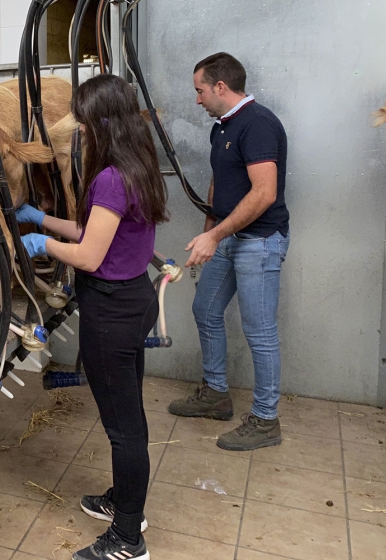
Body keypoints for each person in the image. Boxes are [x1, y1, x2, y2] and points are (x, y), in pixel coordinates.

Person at [19, 73, 167, 560]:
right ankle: (125, 504)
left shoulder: (108, 176)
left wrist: (43, 245)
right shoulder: (137, 165)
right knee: (129, 417)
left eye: (83, 123)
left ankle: (128, 538)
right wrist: (41, 218)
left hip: (111, 312)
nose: (78, 131)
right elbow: (93, 229)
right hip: (133, 301)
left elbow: (87, 254)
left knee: (124, 428)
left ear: (102, 123)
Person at [167, 52, 290, 451]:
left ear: (221, 87)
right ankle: (217, 394)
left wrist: (215, 236)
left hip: (260, 242)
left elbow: (264, 193)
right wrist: (208, 234)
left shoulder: (258, 124)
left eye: (200, 90)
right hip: (229, 238)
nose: (197, 99)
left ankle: (266, 420)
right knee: (205, 309)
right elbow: (220, 184)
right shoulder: (223, 127)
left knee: (260, 332)